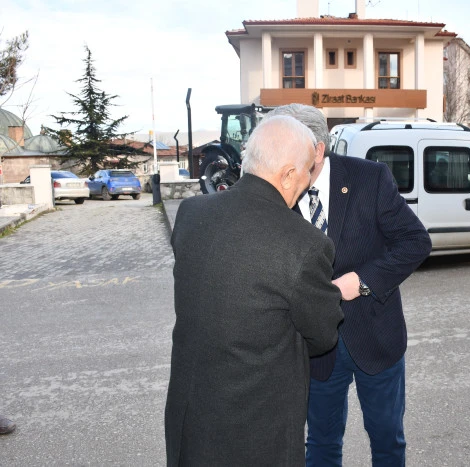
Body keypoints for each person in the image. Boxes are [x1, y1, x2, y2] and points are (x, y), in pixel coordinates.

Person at [164, 115, 344, 466]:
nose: (309, 180)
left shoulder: (191, 214)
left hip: (190, 416)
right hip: (256, 429)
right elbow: (322, 336)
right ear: (288, 175)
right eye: (308, 171)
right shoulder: (304, 244)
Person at [265, 104, 432, 466]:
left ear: (317, 150)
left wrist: (363, 281)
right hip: (315, 347)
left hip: (376, 337)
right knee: (321, 445)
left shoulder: (370, 178)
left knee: (387, 440)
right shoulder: (274, 193)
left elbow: (415, 242)